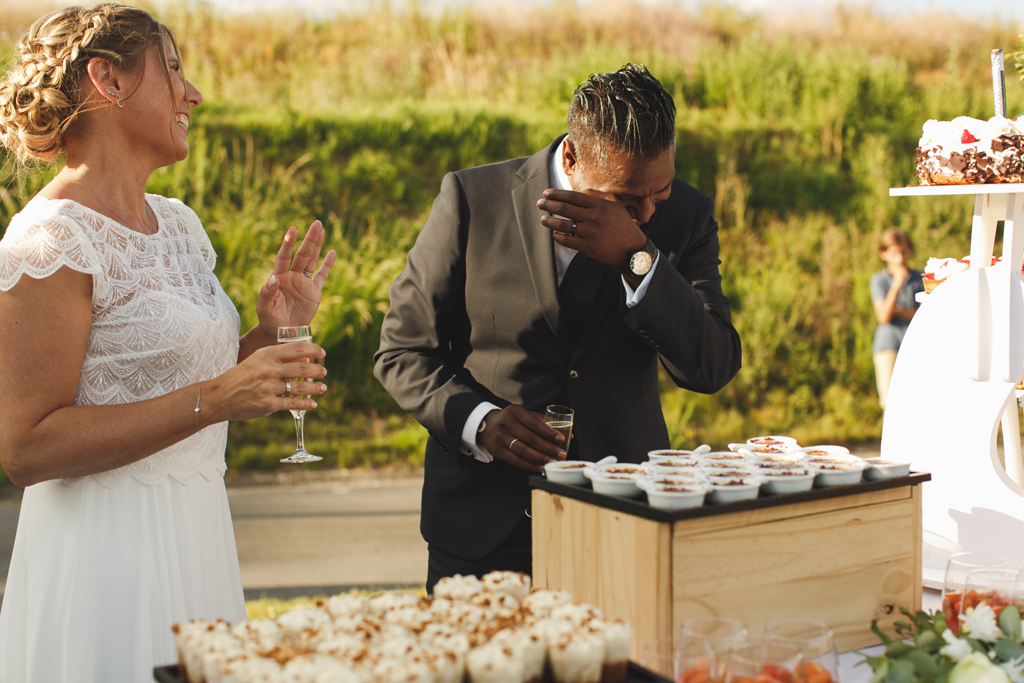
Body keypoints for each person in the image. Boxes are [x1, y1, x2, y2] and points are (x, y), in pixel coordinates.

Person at [0, 4, 337, 681]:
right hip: (104, 563)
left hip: (197, 534)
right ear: (109, 81)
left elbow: (184, 387)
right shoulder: (51, 239)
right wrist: (214, 399)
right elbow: (25, 446)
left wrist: (268, 334)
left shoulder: (180, 225)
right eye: (175, 70)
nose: (193, 94)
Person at [374, 64, 742, 593]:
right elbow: (402, 351)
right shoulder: (472, 199)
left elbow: (712, 365)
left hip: (623, 522)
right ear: (570, 157)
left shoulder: (685, 215)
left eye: (656, 195)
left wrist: (640, 259)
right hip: (482, 528)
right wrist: (479, 422)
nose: (643, 214)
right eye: (621, 198)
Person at [870, 228, 924, 409]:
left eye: (903, 252)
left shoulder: (920, 278)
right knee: (890, 401)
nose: (899, 258)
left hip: (915, 343)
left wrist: (896, 310)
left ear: (910, 251)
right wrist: (897, 285)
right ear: (884, 254)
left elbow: (924, 315)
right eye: (893, 253)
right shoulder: (879, 280)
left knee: (917, 398)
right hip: (888, 344)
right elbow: (883, 316)